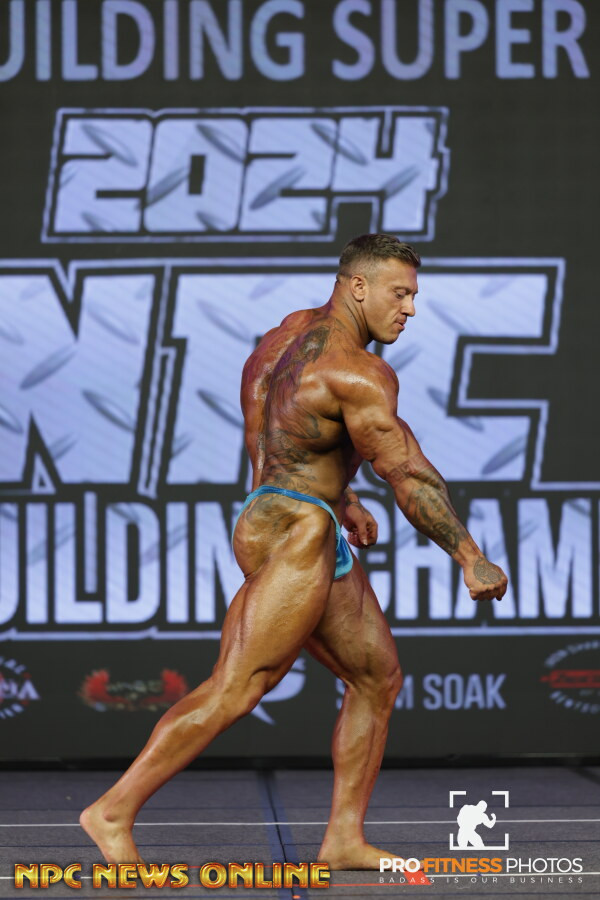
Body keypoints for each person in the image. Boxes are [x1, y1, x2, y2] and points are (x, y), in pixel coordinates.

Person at [80, 233, 507, 869]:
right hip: (298, 530)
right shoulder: (359, 373)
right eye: (400, 293)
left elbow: (279, 434)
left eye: (412, 296)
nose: (410, 309)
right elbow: (409, 474)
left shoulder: (286, 335)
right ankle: (112, 810)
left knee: (376, 677)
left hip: (283, 512)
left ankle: (343, 838)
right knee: (239, 687)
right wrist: (470, 555)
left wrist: (342, 498)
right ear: (358, 286)